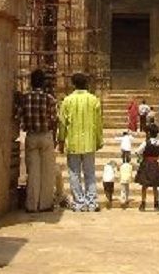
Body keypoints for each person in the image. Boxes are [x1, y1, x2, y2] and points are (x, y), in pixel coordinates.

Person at [58, 72, 103, 212]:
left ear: (73, 84)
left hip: (73, 143)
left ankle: (79, 202)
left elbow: (62, 123)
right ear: (86, 84)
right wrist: (98, 140)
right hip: (89, 143)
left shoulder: (67, 101)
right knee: (90, 173)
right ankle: (92, 202)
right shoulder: (94, 100)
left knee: (74, 174)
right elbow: (98, 123)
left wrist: (60, 140)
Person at [17, 69, 58, 213]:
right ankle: (45, 204)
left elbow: (19, 116)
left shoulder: (25, 98)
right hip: (46, 135)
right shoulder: (50, 99)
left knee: (32, 171)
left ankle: (32, 204)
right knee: (47, 171)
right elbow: (54, 119)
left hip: (31, 135)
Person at [135, 123, 159, 211]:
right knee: (155, 185)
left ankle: (143, 203)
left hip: (146, 164)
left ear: (149, 133)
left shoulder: (146, 143)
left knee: (144, 185)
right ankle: (156, 204)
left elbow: (137, 151)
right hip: (155, 164)